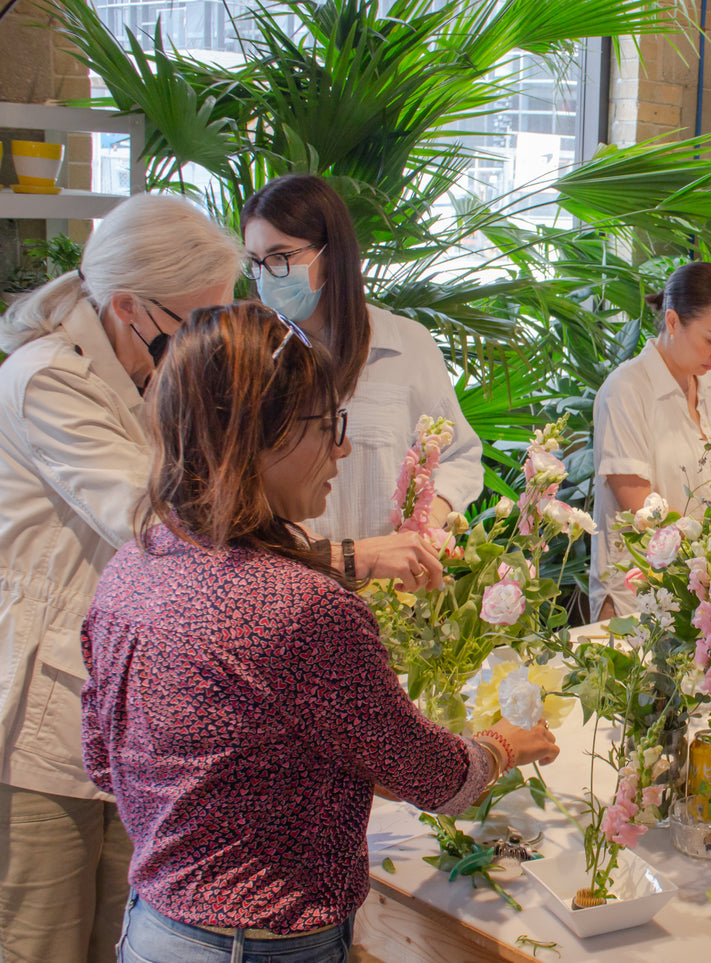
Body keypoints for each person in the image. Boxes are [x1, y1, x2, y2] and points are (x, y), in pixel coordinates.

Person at [81, 302, 559, 962]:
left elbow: (104, 760)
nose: (343, 447)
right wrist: (502, 744)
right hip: (260, 944)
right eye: (329, 425)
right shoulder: (303, 608)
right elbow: (432, 776)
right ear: (261, 435)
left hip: (155, 926)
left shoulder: (132, 568)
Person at [0, 194, 240, 963]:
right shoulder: (46, 378)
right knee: (41, 939)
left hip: (128, 710)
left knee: (122, 934)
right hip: (45, 712)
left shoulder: (145, 370)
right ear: (130, 306)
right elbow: (152, 519)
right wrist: (335, 563)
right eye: (195, 325)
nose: (204, 346)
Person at [241, 173, 485, 581]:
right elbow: (240, 490)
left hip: (399, 591)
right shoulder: (249, 356)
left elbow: (459, 454)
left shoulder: (405, 345)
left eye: (281, 257)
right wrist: (340, 555)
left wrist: (426, 519)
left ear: (330, 254)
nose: (268, 275)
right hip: (290, 587)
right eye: (256, 262)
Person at [591, 261, 711, 618]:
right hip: (640, 595)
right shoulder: (627, 389)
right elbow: (638, 505)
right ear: (673, 322)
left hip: (708, 593)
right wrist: (707, 554)